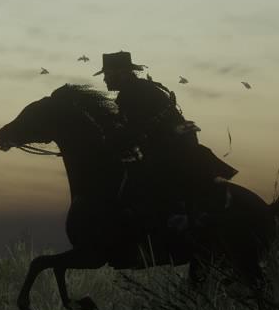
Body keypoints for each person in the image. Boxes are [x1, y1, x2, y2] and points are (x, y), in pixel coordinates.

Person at [94, 52, 237, 230]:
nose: (105, 79)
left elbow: (138, 131)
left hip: (170, 150)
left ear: (120, 73)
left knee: (140, 185)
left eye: (107, 74)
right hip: (174, 145)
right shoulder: (138, 89)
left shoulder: (132, 94)